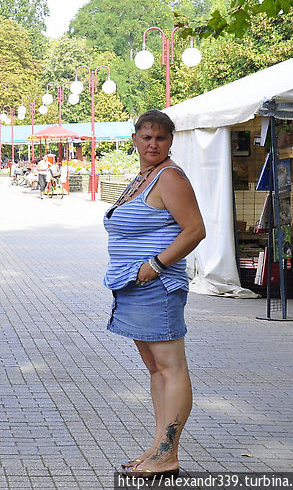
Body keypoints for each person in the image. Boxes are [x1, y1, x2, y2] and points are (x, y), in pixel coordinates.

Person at [105, 110, 205, 479]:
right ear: (135, 139)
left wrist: (157, 265)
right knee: (156, 371)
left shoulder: (171, 177)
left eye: (160, 138)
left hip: (157, 287)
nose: (152, 144)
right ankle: (159, 447)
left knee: (171, 368)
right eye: (146, 137)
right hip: (132, 287)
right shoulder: (144, 177)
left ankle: (168, 455)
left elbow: (195, 230)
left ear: (170, 142)